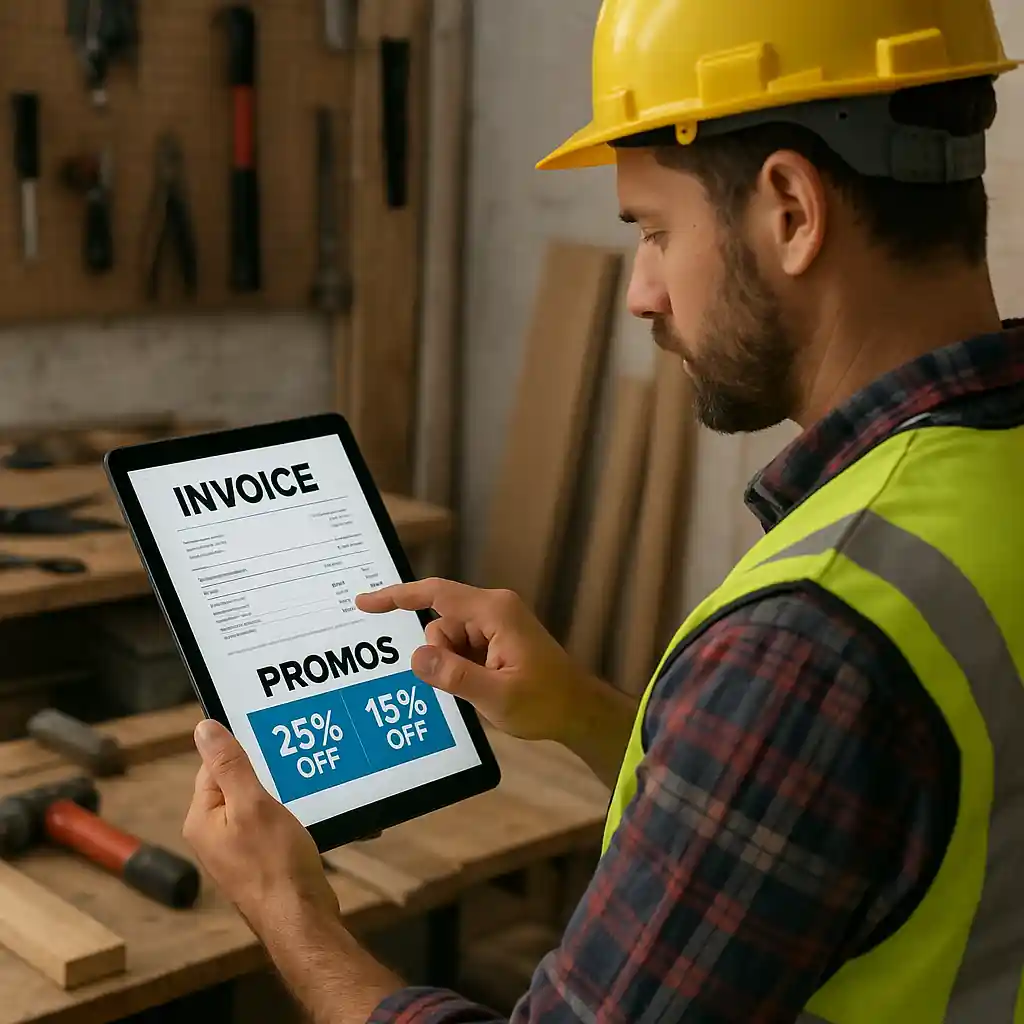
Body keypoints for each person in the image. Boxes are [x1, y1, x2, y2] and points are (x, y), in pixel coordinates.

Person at [182, 1, 1024, 1021]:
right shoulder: (975, 484)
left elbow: (812, 731)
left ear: (791, 210)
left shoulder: (813, 638)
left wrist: (287, 908)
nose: (642, 292)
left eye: (657, 231)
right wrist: (587, 714)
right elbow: (861, 821)